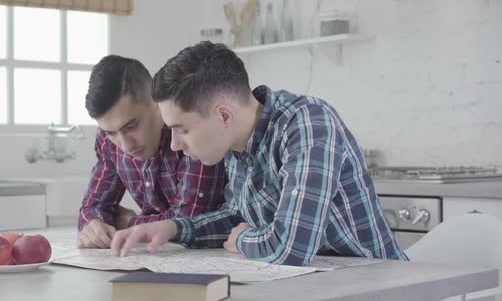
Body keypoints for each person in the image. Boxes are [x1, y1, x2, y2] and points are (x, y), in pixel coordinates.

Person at [109, 42, 408, 265]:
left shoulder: (308, 122)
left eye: (182, 129)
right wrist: (173, 228)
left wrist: (243, 239)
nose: (174, 144)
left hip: (380, 286)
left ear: (224, 116)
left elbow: (290, 247)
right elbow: (239, 218)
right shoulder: (236, 144)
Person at [77, 55, 226, 249]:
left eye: (131, 126)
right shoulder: (108, 140)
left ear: (156, 102)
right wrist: (94, 226)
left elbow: (187, 220)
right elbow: (93, 207)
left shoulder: (189, 129)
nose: (125, 145)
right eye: (111, 133)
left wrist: (128, 222)